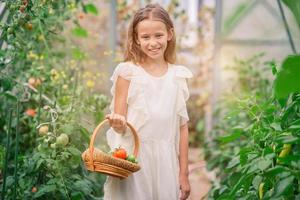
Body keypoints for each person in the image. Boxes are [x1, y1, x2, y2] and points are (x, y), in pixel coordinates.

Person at [104, 3, 193, 200]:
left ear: (170, 34)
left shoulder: (177, 76)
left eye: (158, 35)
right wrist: (117, 123)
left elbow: (182, 128)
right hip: (134, 161)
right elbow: (119, 123)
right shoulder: (127, 72)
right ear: (136, 39)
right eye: (145, 37)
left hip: (165, 163)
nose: (153, 43)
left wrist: (184, 173)